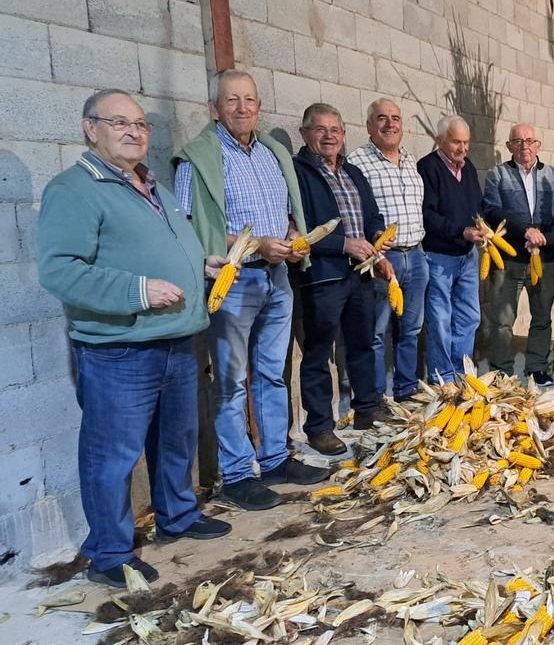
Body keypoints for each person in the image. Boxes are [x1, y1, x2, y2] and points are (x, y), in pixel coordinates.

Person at [37, 89, 232, 588]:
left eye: (141, 125)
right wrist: (137, 290)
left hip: (176, 341)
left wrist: (201, 265)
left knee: (176, 441)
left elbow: (166, 248)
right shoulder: (74, 190)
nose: (133, 132)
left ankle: (178, 516)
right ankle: (109, 553)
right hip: (119, 349)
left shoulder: (154, 187)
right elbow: (60, 272)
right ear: (90, 128)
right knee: (113, 455)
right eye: (119, 122)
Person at [174, 70, 330, 511]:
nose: (242, 108)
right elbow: (189, 227)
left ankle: (275, 457)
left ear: (259, 107)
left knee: (271, 373)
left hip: (277, 278)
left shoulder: (272, 154)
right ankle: (239, 473)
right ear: (214, 108)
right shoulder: (198, 160)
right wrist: (256, 245)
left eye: (249, 100)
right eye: (231, 100)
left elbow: (286, 213)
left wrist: (294, 239)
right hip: (235, 279)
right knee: (230, 380)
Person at [293, 103, 395, 456]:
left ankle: (367, 408)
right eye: (320, 129)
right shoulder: (299, 173)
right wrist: (343, 244)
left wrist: (378, 235)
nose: (329, 135)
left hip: (360, 273)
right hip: (323, 275)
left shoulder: (352, 171)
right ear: (305, 134)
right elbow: (300, 228)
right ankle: (320, 427)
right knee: (319, 352)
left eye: (335, 129)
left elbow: (372, 214)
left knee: (363, 342)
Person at [346, 98, 428, 403]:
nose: (390, 124)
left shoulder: (409, 159)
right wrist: (376, 255)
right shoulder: (356, 163)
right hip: (382, 258)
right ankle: (376, 396)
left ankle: (407, 390)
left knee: (411, 329)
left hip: (416, 255)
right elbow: (356, 216)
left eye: (395, 118)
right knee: (376, 333)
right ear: (369, 126)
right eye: (382, 118)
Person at [482, 123, 554, 385]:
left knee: (542, 316)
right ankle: (502, 371)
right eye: (518, 141)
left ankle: (536, 367)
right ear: (509, 146)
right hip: (508, 259)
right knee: (502, 321)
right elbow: (492, 210)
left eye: (530, 140)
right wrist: (525, 232)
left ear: (538, 145)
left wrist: (545, 238)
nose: (524, 146)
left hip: (545, 259)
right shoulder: (497, 175)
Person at [418, 115, 485, 380]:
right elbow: (427, 214)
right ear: (440, 140)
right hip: (438, 257)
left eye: (466, 143)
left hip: (467, 256)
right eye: (457, 142)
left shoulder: (467, 168)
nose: (463, 149)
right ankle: (442, 377)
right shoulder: (428, 168)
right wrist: (460, 232)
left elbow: (477, 206)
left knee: (469, 317)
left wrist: (483, 226)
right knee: (440, 322)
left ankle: (461, 373)